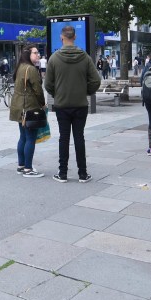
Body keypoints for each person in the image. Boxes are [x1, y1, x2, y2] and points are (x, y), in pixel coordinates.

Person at [45, 25, 101, 183]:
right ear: (74, 37)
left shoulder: (54, 58)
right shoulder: (85, 57)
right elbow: (96, 80)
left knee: (64, 138)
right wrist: (85, 91)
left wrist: (58, 94)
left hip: (62, 105)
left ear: (62, 38)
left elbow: (48, 84)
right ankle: (83, 174)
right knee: (79, 138)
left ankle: (62, 173)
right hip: (80, 104)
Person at [9, 45, 46, 178]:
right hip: (29, 107)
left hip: (19, 106)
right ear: (28, 54)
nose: (38, 55)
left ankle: (21, 165)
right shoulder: (30, 69)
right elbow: (38, 90)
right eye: (35, 53)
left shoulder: (20, 67)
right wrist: (43, 104)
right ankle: (28, 169)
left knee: (23, 137)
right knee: (30, 138)